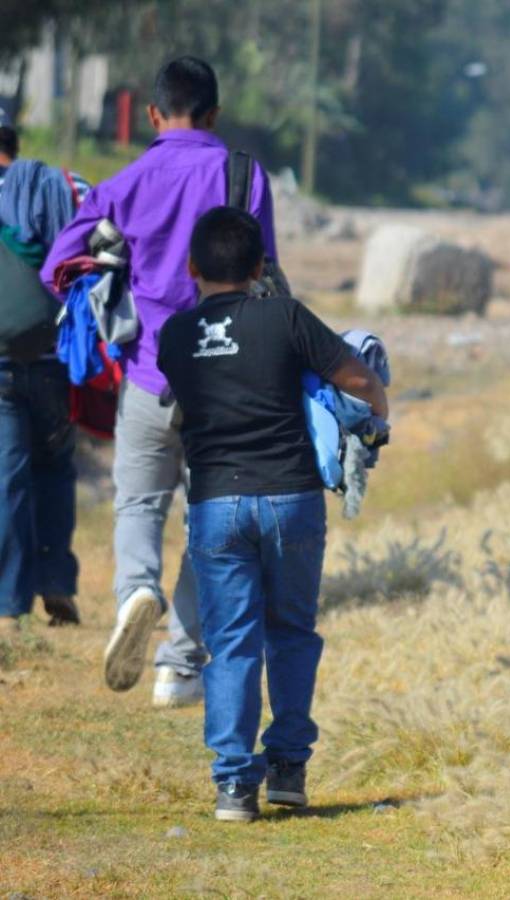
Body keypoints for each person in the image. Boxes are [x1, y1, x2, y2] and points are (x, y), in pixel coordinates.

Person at [42, 56, 279, 707]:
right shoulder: (243, 175)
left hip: (149, 376)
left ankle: (135, 592)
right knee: (212, 521)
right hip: (228, 386)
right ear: (215, 113)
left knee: (139, 504)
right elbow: (268, 272)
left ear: (152, 114)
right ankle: (178, 665)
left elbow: (58, 266)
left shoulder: (125, 181)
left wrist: (114, 259)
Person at [158, 207, 387, 822]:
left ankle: (235, 786)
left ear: (192, 268)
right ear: (260, 267)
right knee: (291, 633)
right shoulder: (285, 317)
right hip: (291, 499)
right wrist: (379, 415)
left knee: (231, 644)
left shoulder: (174, 335)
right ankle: (287, 769)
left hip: (216, 505)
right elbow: (358, 380)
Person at [0, 118, 85, 633]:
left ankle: (10, 603)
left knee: (9, 479)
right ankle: (56, 581)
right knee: (55, 469)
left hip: (1, 364)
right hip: (55, 355)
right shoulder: (54, 187)